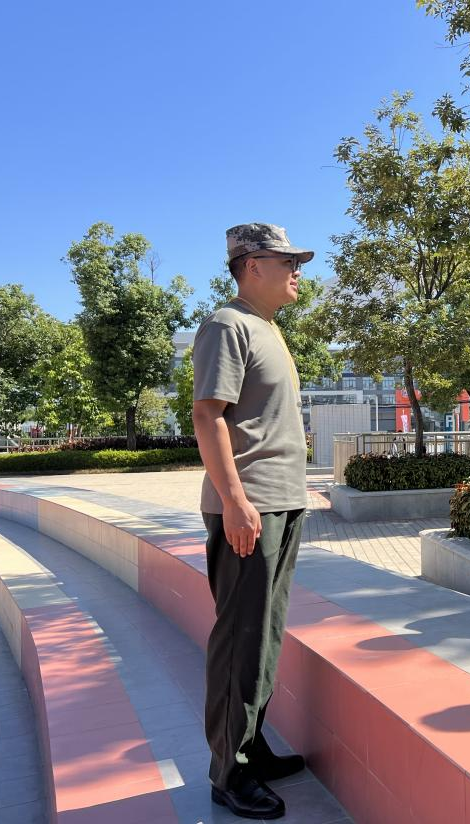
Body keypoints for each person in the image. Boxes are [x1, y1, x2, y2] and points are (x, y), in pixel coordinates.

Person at [192, 222, 312, 819]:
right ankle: (228, 772)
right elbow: (208, 417)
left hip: (283, 502)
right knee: (240, 640)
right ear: (251, 264)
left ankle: (252, 747)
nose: (298, 270)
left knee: (263, 637)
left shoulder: (268, 328)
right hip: (251, 508)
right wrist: (235, 501)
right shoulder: (227, 324)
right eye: (287, 259)